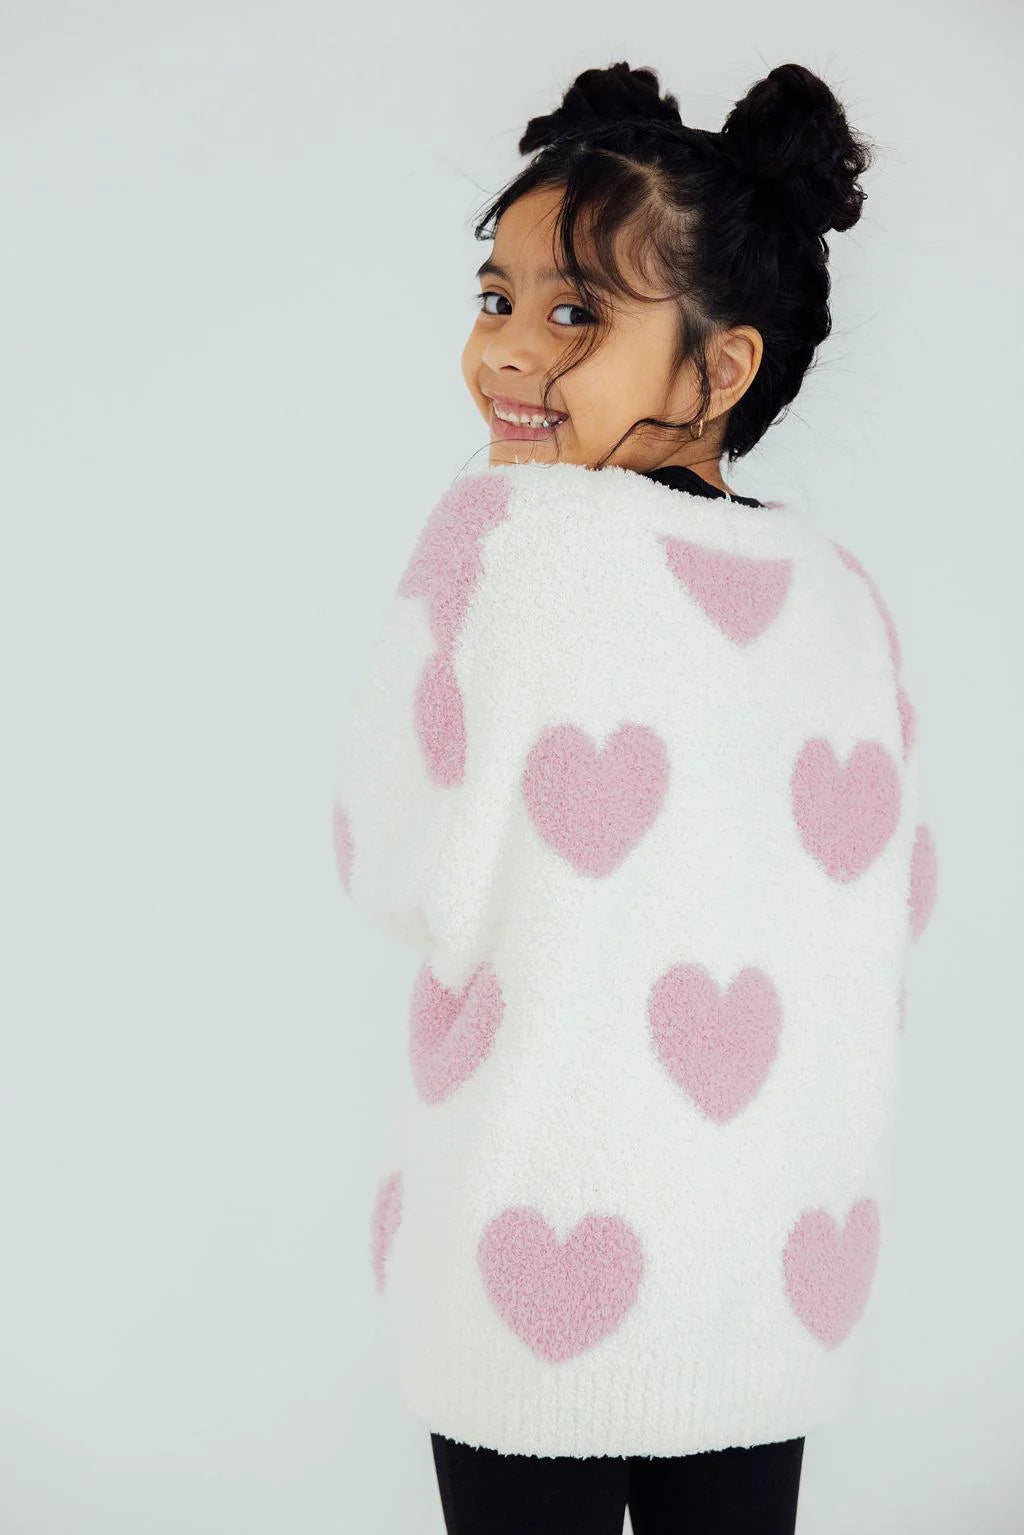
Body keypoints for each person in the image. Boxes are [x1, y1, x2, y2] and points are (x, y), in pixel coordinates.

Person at [331, 58, 938, 1535]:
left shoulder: (499, 538)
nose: (507, 352)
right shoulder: (842, 595)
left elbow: (393, 855)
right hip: (768, 1264)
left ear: (720, 369)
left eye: (574, 315)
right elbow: (897, 902)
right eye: (497, 299)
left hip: (525, 1237)